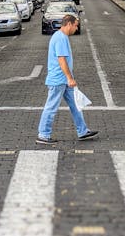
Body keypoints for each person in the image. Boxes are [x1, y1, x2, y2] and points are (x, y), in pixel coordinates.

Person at [36, 14, 98, 144]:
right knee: (51, 107)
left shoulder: (61, 37)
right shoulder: (60, 38)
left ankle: (82, 131)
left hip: (63, 80)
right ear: (69, 24)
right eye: (75, 25)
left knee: (75, 105)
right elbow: (61, 59)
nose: (76, 28)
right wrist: (70, 78)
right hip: (58, 80)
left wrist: (69, 79)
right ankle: (43, 134)